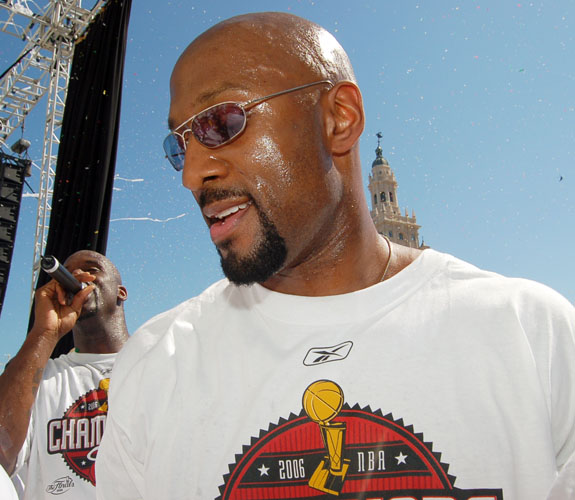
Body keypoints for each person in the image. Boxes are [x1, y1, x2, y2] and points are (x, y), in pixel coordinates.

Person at [96, 12, 575, 500]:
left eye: (222, 122)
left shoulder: (536, 337)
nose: (192, 174)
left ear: (339, 119)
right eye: (180, 145)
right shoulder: (157, 367)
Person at [0, 250, 129, 499]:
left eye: (92, 269)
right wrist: (45, 332)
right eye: (68, 273)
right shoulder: (36, 378)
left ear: (120, 293)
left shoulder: (159, 364)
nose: (78, 275)